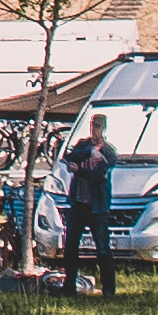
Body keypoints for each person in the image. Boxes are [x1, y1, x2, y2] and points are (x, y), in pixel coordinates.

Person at [62, 121, 121, 298]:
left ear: (104, 128)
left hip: (98, 207)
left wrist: (79, 170)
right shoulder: (83, 145)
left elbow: (100, 175)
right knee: (71, 247)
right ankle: (69, 287)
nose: (95, 130)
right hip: (78, 204)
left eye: (98, 127)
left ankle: (108, 289)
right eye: (93, 126)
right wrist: (89, 153)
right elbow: (68, 156)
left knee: (103, 249)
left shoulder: (109, 151)